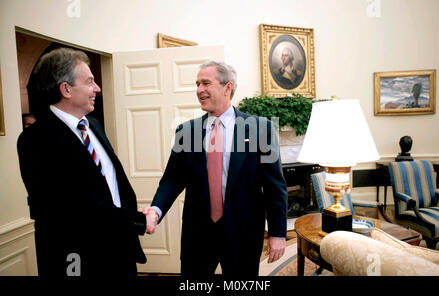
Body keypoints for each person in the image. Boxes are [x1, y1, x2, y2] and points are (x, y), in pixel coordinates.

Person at [17, 47, 155, 277]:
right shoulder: (36, 140)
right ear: (66, 89)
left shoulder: (93, 125)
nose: (97, 88)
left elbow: (109, 185)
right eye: (90, 81)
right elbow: (71, 208)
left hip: (120, 252)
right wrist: (138, 220)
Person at [143, 61, 287, 277]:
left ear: (227, 87)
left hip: (243, 234)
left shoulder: (261, 128)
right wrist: (156, 210)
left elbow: (275, 186)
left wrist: (277, 233)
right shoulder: (186, 131)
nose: (199, 90)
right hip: (198, 235)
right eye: (197, 84)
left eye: (205, 83)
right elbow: (172, 179)